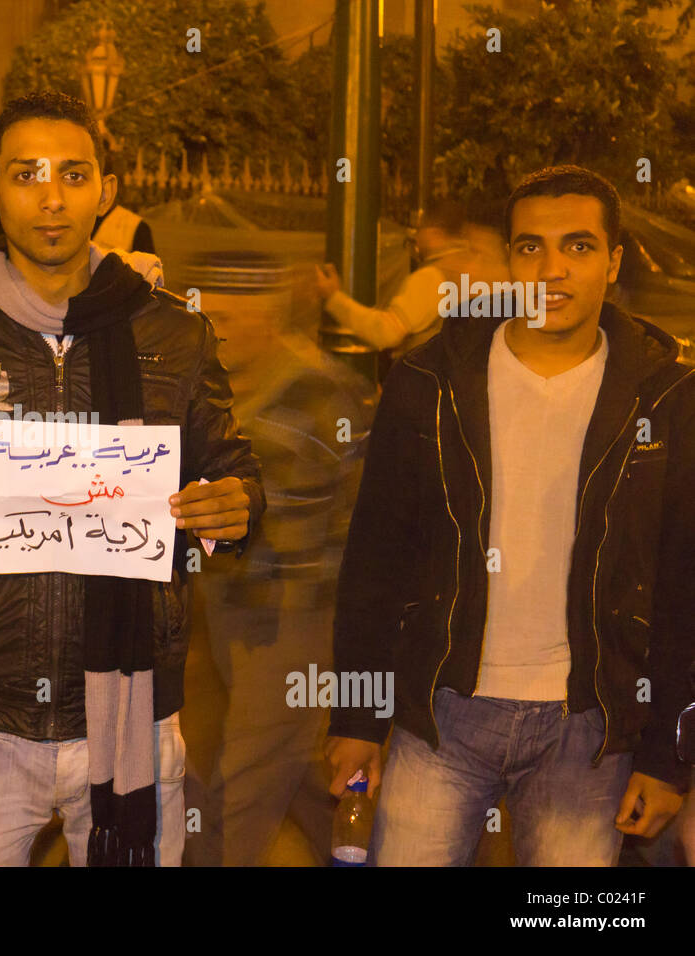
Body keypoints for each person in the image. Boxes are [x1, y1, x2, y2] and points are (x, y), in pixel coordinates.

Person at [0, 90, 265, 867]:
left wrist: (238, 505)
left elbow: (230, 468)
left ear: (106, 190)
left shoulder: (173, 332)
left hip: (136, 726)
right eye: (26, 174)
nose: (52, 196)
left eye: (73, 173)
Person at [325, 165, 694, 866]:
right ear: (507, 258)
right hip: (438, 715)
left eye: (579, 247)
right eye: (531, 247)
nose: (552, 269)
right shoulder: (429, 382)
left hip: (590, 727)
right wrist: (355, 717)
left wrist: (670, 756)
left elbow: (683, 586)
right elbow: (374, 562)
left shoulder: (666, 396)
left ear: (613, 263)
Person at [181, 254, 372, 866]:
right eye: (210, 314)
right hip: (234, 613)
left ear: (271, 312)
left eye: (234, 313)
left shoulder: (320, 391)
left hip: (295, 625)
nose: (220, 326)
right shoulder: (222, 389)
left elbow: (363, 521)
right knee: (310, 782)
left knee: (242, 787)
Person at [313, 201, 510, 356]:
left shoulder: (433, 277)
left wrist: (334, 298)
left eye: (419, 229)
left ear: (434, 233)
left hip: (434, 392)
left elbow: (385, 333)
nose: (415, 236)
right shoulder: (485, 268)